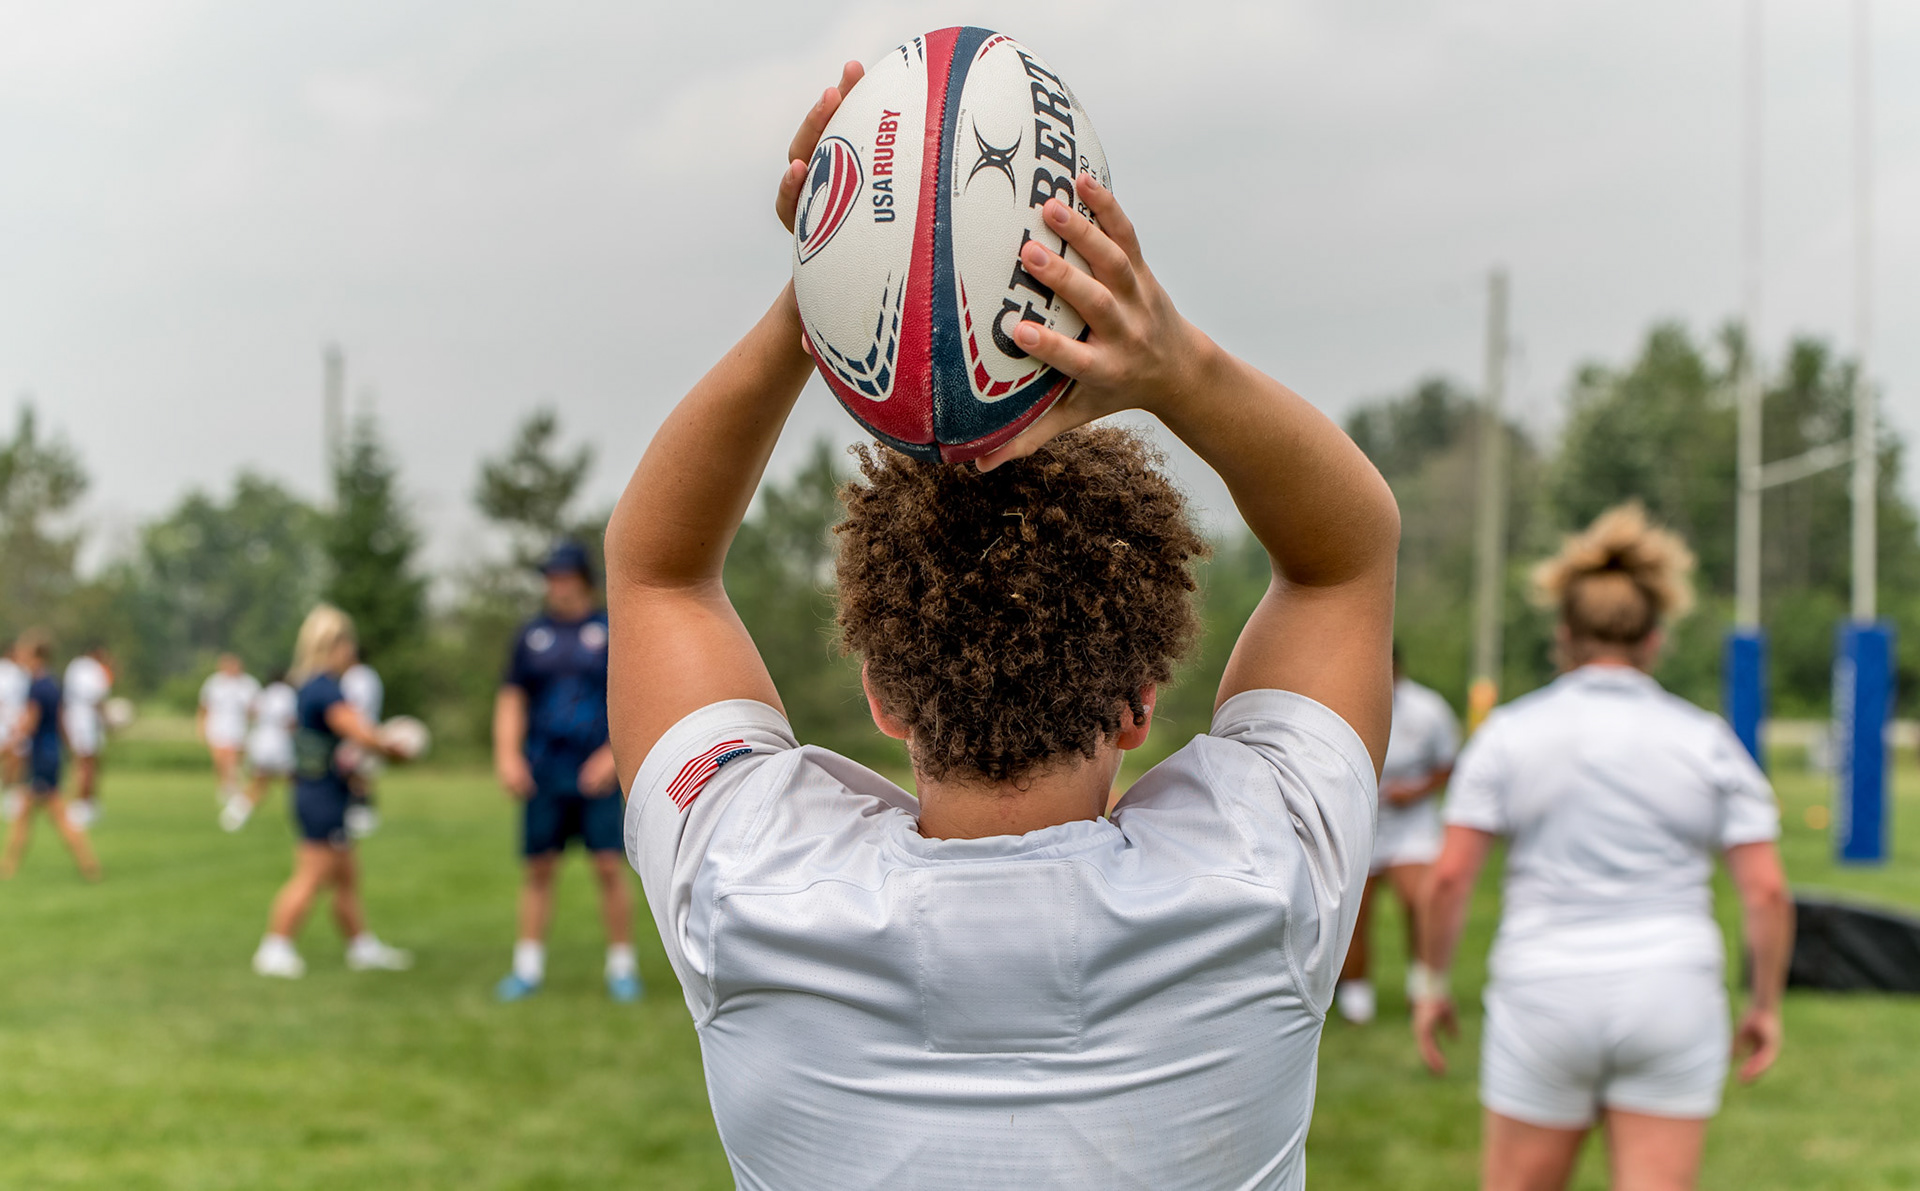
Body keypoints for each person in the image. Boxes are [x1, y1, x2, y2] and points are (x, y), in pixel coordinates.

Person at [605, 62, 1398, 1189]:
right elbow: (1344, 559)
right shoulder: (1265, 875)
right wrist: (1179, 368)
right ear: (1139, 703)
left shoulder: (750, 888)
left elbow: (657, 574)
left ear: (884, 693)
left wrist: (831, 294)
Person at [1414, 504, 1793, 1191]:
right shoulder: (1706, 740)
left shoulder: (1509, 733)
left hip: (1544, 989)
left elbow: (1449, 878)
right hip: (1672, 989)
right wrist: (1764, 1004)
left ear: (1564, 636)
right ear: (1654, 639)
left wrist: (1432, 984)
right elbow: (1766, 890)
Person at [492, 541, 637, 1002]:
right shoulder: (531, 635)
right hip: (544, 770)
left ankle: (622, 968)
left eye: (564, 576)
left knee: (608, 865)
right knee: (539, 867)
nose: (556, 586)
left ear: (584, 579)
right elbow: (512, 698)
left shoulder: (611, 630)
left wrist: (612, 756)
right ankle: (527, 969)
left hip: (596, 769)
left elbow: (635, 696)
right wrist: (508, 756)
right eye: (550, 577)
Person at [252, 605, 413, 979]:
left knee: (346, 877)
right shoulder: (324, 687)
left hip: (323, 791)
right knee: (311, 875)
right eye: (347, 643)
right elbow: (358, 731)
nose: (352, 652)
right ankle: (275, 947)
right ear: (332, 645)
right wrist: (393, 747)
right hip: (320, 794)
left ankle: (361, 946)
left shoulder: (313, 685)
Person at [1334, 643, 1459, 1024]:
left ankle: (1423, 990)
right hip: (1357, 821)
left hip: (1411, 824)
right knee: (1353, 914)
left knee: (1419, 902)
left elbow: (1448, 764)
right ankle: (1355, 998)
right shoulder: (1341, 702)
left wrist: (1416, 791)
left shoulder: (1428, 708)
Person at [1, 630, 100, 880]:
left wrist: (8, 744)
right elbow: (61, 722)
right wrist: (69, 749)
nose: (20, 657)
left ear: (36, 656)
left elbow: (29, 724)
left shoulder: (37, 687)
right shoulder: (53, 684)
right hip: (51, 754)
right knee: (24, 814)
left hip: (40, 758)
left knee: (56, 814)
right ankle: (8, 866)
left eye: (24, 652)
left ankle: (89, 865)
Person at [223, 670, 297, 832]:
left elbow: (251, 712)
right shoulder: (288, 694)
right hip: (280, 744)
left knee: (260, 783)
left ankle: (235, 812)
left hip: (260, 742)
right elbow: (291, 720)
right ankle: (305, 815)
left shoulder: (264, 694)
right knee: (297, 782)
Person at [61, 644, 114, 829]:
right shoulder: (92, 669)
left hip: (75, 717)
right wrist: (109, 721)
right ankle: (83, 804)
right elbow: (96, 699)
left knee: (81, 762)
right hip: (86, 720)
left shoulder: (74, 666)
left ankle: (85, 802)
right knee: (87, 763)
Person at [199, 654, 260, 813]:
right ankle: (226, 786)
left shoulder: (248, 684)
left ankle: (233, 788)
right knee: (220, 759)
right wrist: (201, 726)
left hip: (239, 727)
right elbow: (204, 706)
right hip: (217, 726)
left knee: (233, 758)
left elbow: (256, 708)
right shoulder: (213, 683)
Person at [340, 653, 384, 839]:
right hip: (369, 727)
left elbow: (356, 705)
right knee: (362, 775)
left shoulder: (356, 676)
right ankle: (362, 815)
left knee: (357, 775)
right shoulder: (370, 674)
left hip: (358, 729)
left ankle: (361, 816)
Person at [0, 638, 28, 816]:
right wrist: (9, 722)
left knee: (17, 759)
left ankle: (11, 795)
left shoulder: (21, 672)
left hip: (17, 721)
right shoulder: (5, 671)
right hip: (7, 722)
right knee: (9, 756)